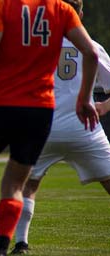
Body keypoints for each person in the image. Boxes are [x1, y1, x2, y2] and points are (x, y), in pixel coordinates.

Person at [0, 0, 99, 255]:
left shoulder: (1, 5)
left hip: (0, 103)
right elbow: (91, 53)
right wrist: (83, 99)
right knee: (14, 183)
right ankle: (1, 249)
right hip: (39, 109)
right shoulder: (63, 10)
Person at [11, 0, 110, 253]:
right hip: (84, 129)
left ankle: (21, 242)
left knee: (28, 186)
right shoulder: (92, 47)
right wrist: (103, 107)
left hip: (44, 130)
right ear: (82, 14)